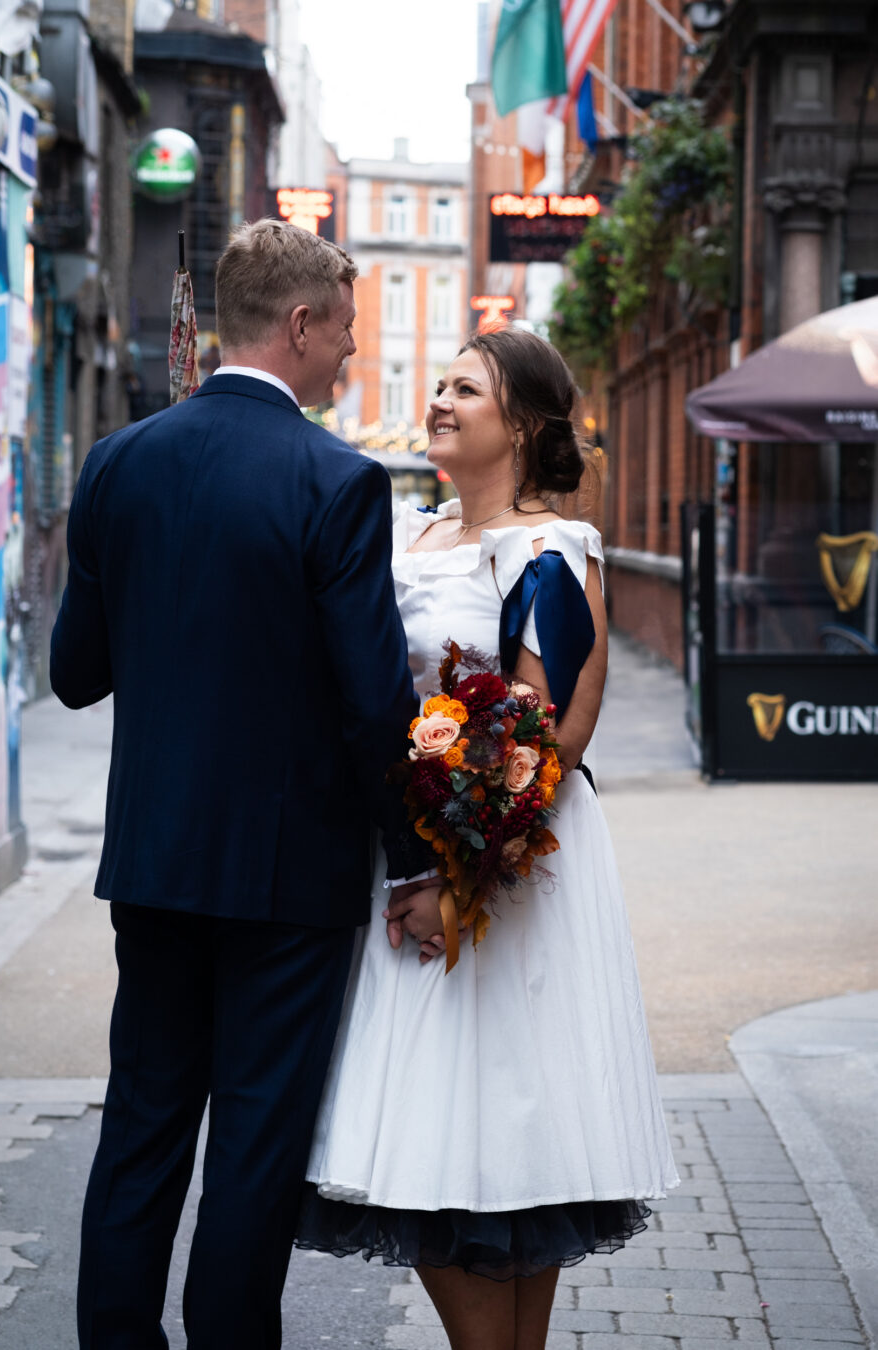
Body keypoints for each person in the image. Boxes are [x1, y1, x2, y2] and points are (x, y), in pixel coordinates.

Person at [50, 219, 435, 1350]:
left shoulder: (118, 461)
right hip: (288, 878)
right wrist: (416, 854)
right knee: (255, 1144)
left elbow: (75, 676)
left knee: (144, 1125)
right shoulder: (338, 481)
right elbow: (373, 704)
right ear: (302, 324)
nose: (353, 358)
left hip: (156, 861)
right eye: (349, 334)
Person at [296, 327, 680, 1350]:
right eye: (440, 385)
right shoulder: (405, 534)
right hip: (414, 854)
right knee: (434, 1139)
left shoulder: (551, 551)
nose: (439, 401)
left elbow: (547, 736)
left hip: (499, 880)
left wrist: (460, 882)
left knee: (506, 1134)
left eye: (466, 389)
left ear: (524, 424)